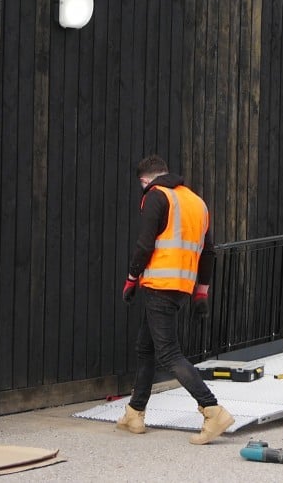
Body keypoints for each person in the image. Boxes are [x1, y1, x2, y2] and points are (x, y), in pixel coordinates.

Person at [116, 155, 235, 445]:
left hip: (159, 283)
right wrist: (201, 292)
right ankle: (135, 411)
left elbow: (145, 243)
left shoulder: (155, 196)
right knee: (146, 347)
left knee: (168, 353)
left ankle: (212, 409)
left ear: (145, 181)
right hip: (182, 287)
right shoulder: (197, 202)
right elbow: (208, 252)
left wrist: (131, 279)